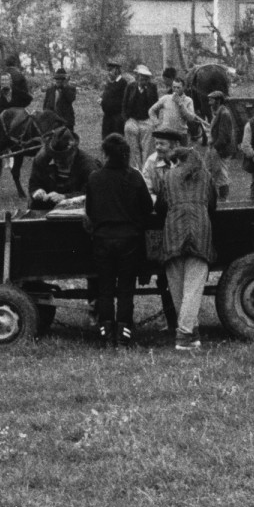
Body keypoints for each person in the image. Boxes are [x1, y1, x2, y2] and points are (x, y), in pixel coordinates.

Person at [147, 127, 218, 351]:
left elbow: (160, 208)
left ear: (178, 161)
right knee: (193, 287)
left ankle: (186, 334)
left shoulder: (169, 176)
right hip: (200, 231)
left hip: (173, 231)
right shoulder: (206, 177)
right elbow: (213, 205)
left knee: (177, 287)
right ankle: (188, 334)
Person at [83, 133, 153, 349]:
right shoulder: (134, 177)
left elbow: (90, 211)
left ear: (105, 154)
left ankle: (105, 333)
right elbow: (148, 208)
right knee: (125, 289)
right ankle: (123, 334)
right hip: (129, 240)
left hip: (103, 240)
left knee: (104, 288)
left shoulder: (95, 178)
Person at [28, 127, 97, 201]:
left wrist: (65, 197)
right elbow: (33, 184)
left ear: (73, 151)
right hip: (45, 208)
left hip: (75, 209)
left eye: (63, 157)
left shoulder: (88, 165)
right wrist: (37, 191)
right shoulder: (41, 160)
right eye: (54, 156)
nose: (58, 160)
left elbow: (91, 193)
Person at [121, 65, 161, 165]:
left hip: (146, 119)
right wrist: (127, 119)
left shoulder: (152, 87)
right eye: (141, 77)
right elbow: (124, 104)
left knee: (147, 147)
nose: (143, 80)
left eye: (145, 78)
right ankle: (135, 169)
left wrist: (153, 120)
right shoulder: (131, 87)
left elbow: (155, 106)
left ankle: (146, 168)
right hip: (133, 119)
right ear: (138, 77)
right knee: (132, 146)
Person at [206, 89, 237, 201]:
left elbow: (224, 136)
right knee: (211, 171)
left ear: (218, 100)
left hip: (221, 149)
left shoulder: (224, 114)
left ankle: (224, 198)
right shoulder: (218, 112)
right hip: (215, 147)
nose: (209, 101)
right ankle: (213, 196)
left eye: (212, 99)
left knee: (222, 173)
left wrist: (215, 147)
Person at [152, 75, 202, 143]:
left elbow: (191, 118)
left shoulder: (188, 100)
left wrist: (180, 104)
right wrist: (156, 123)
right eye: (174, 87)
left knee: (182, 152)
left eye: (178, 87)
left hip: (181, 134)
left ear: (183, 88)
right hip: (167, 133)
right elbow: (152, 110)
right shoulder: (166, 98)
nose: (176, 89)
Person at [100, 59, 131, 143]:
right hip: (107, 117)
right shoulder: (109, 83)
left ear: (117, 70)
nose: (109, 73)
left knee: (117, 139)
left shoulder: (122, 83)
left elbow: (122, 99)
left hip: (117, 117)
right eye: (108, 70)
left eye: (111, 70)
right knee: (106, 139)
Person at [42, 66, 77, 131]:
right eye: (56, 79)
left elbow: (71, 99)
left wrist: (65, 86)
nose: (58, 81)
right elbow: (45, 106)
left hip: (66, 121)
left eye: (60, 79)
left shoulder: (70, 89)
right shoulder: (50, 90)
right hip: (52, 122)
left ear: (64, 80)